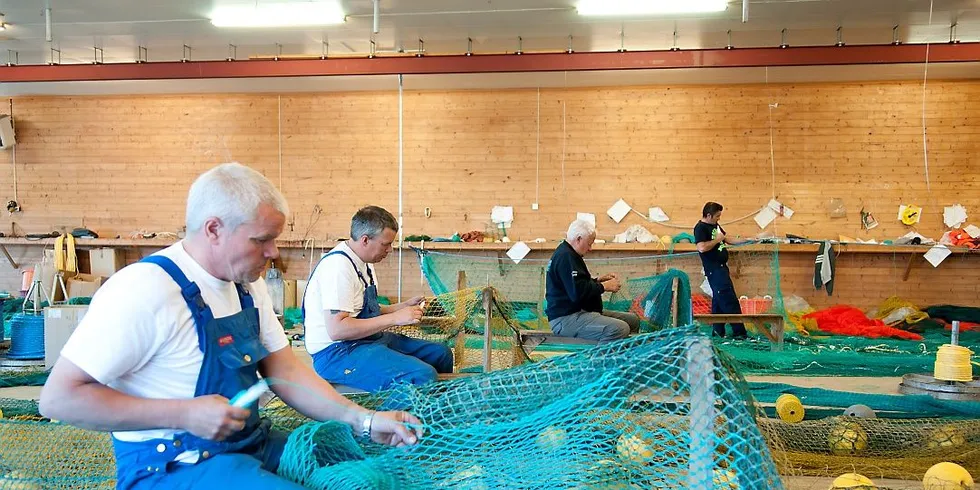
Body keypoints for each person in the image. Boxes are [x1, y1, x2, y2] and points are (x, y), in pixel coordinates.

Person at [39, 163, 421, 490]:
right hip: (176, 465)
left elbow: (285, 370)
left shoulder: (245, 285)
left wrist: (364, 420)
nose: (274, 253)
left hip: (249, 443)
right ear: (214, 229)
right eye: (262, 240)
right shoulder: (145, 290)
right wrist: (183, 413)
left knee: (355, 465)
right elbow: (59, 399)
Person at [303, 205, 453, 393]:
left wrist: (402, 307)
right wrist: (395, 319)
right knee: (421, 376)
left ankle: (437, 411)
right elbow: (338, 329)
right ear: (365, 240)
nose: (389, 249)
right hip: (338, 353)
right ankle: (382, 420)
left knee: (440, 354)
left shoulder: (363, 262)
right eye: (386, 244)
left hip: (367, 341)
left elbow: (365, 309)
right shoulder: (338, 268)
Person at [545, 219, 641, 344]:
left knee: (633, 320)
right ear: (578, 239)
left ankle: (623, 357)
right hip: (566, 318)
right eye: (589, 244)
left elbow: (575, 284)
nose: (590, 248)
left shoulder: (570, 255)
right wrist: (603, 286)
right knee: (619, 328)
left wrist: (597, 281)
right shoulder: (566, 257)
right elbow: (577, 293)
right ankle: (598, 362)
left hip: (579, 312)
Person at [695, 201, 748, 339]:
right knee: (729, 300)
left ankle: (718, 333)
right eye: (717, 216)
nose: (719, 218)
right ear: (709, 215)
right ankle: (740, 333)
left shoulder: (715, 225)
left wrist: (749, 240)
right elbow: (701, 247)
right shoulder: (700, 228)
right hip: (714, 269)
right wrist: (717, 240)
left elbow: (727, 238)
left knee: (718, 301)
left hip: (722, 268)